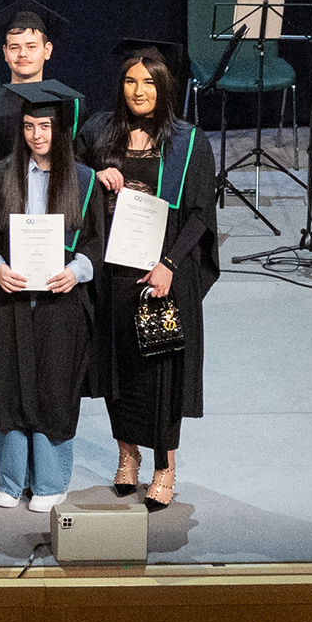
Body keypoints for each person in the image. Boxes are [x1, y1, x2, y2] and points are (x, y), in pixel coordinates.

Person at [0, 82, 106, 512]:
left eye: (44, 126)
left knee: (53, 386)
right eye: (28, 126)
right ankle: (10, 479)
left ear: (59, 130)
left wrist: (75, 272)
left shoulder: (83, 181)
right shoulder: (0, 175)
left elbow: (96, 245)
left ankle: (48, 482)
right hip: (10, 300)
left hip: (60, 301)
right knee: (7, 385)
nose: (36, 135)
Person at [90, 40, 213, 511]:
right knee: (118, 367)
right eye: (130, 81)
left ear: (164, 88)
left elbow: (201, 213)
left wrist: (170, 266)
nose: (138, 91)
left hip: (162, 275)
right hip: (114, 273)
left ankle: (165, 466)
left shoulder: (187, 140)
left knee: (160, 373)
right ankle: (127, 454)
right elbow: (71, 168)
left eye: (148, 82)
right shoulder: (102, 132)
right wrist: (97, 170)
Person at [0, 0, 81, 153]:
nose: (22, 54)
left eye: (31, 46)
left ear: (47, 50)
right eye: (15, 47)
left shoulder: (69, 104)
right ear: (5, 53)